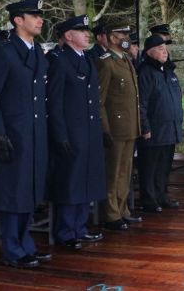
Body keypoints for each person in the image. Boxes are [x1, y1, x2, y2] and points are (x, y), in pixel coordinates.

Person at [0, 0, 51, 269]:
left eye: (39, 15)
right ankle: (12, 248)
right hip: (12, 134)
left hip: (34, 133)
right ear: (17, 20)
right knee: (13, 192)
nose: (39, 19)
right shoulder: (4, 51)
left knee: (30, 189)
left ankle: (25, 243)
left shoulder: (35, 51)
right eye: (33, 15)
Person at [46, 15, 106, 249]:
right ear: (68, 35)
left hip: (88, 132)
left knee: (86, 181)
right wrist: (60, 135)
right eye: (81, 30)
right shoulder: (60, 60)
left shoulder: (86, 59)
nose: (86, 34)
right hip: (71, 132)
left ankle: (80, 227)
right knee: (70, 183)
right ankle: (66, 232)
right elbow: (55, 103)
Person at [96, 22, 143, 231]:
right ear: (111, 37)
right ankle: (111, 213)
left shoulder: (126, 60)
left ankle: (122, 209)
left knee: (125, 171)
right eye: (122, 33)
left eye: (127, 33)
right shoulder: (106, 63)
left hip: (130, 126)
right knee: (112, 172)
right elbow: (100, 100)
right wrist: (105, 129)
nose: (126, 36)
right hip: (114, 128)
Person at [137, 34, 183, 213]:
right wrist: (145, 127)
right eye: (161, 49)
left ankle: (162, 195)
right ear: (150, 52)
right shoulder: (146, 72)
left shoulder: (169, 72)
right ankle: (149, 199)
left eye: (166, 49)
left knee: (164, 165)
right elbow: (142, 102)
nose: (165, 52)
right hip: (154, 130)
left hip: (170, 128)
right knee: (150, 166)